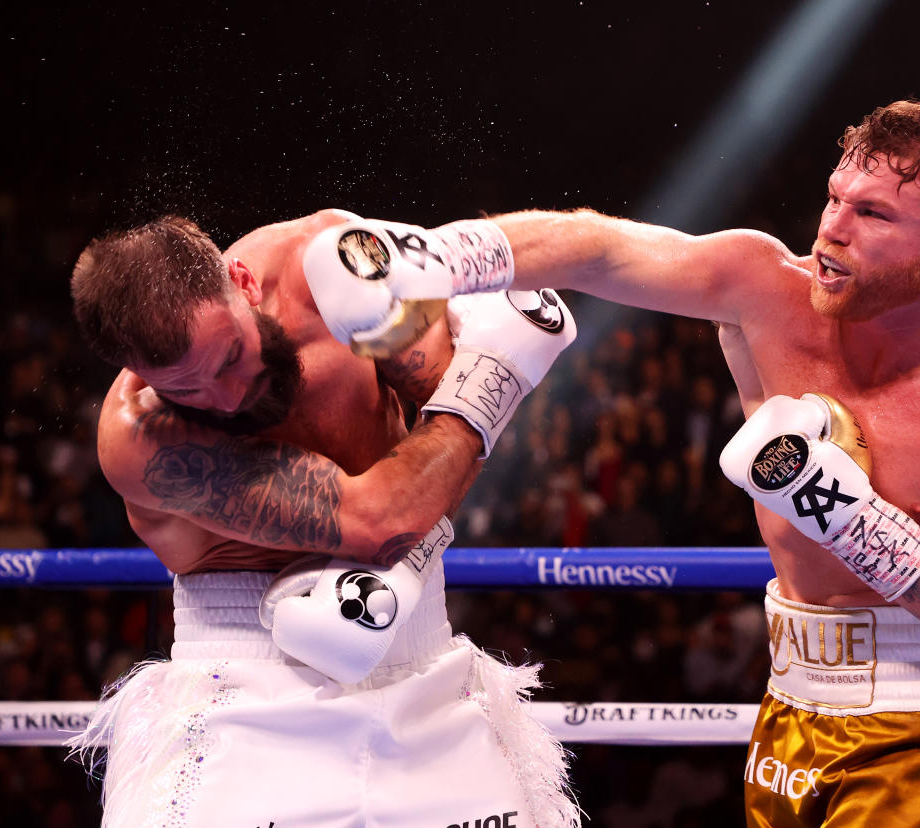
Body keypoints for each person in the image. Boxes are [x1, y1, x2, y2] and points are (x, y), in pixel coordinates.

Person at [322, 100, 920, 826]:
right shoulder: (766, 290)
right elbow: (599, 248)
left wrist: (847, 514)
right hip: (796, 699)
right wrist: (433, 256)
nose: (831, 231)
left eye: (873, 214)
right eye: (833, 198)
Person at [67, 210, 581, 827]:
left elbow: (449, 448)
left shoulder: (334, 267)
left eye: (230, 357)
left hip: (428, 675)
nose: (226, 399)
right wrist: (498, 371)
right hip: (241, 702)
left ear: (242, 281)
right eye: (186, 390)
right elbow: (386, 513)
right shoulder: (140, 437)